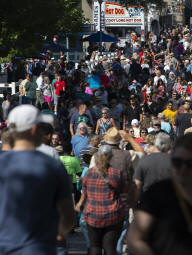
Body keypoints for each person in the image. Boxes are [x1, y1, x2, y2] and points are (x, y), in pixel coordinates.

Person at [0, 105, 75, 254]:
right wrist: (60, 232)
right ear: (34, 129)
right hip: (39, 248)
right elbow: (68, 214)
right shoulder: (52, 165)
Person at [75, 145, 128, 255]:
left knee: (95, 246)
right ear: (111, 157)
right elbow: (124, 191)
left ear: (97, 157)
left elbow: (84, 193)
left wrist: (79, 204)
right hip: (113, 214)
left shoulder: (89, 173)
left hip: (93, 214)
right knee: (110, 247)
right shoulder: (117, 173)